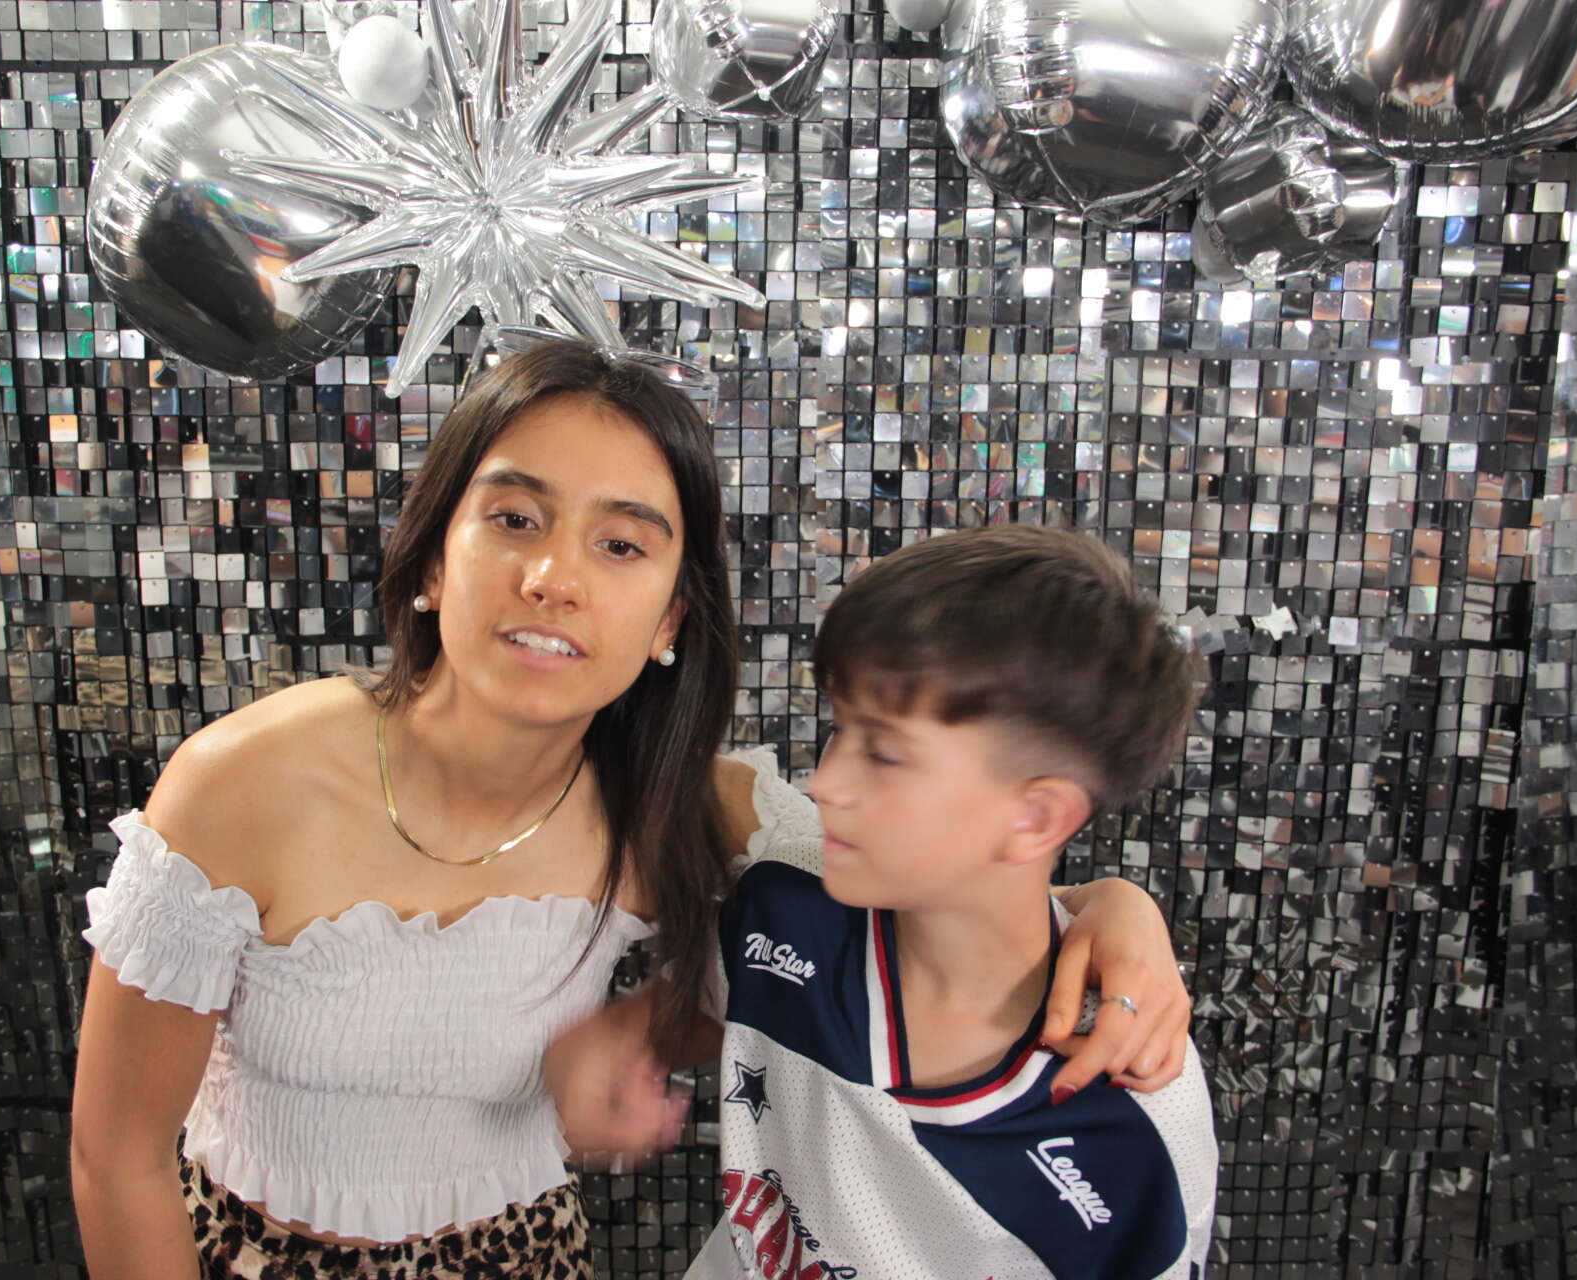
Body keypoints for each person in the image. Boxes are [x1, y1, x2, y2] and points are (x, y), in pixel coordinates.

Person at [69, 339, 1193, 1279]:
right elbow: (116, 1155)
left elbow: (947, 859)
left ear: (668, 622)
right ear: (433, 560)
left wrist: (1112, 906)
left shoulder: (678, 805)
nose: (554, 578)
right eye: (515, 518)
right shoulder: (245, 785)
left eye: (619, 545)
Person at [552, 524, 1216, 1279]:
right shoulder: (786, 903)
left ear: (1035, 817)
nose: (826, 784)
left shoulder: (1134, 1112)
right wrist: (620, 1041)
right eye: (842, 731)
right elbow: (710, 1006)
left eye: (885, 753)